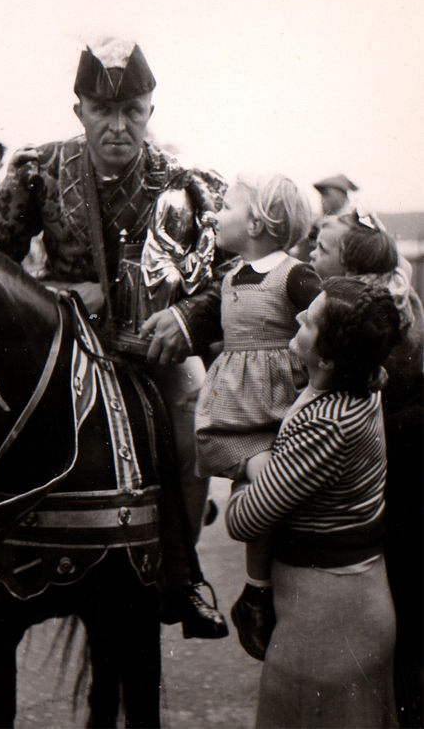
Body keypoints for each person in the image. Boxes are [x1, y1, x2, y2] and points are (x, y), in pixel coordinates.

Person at [0, 36, 229, 638]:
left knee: (194, 413)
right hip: (56, 346)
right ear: (79, 111)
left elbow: (231, 279)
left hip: (149, 353)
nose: (117, 126)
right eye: (101, 111)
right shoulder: (37, 172)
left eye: (131, 111)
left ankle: (180, 570)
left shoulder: (186, 187)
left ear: (150, 112)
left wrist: (188, 318)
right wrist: (51, 294)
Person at [226, 277, 401, 729]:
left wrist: (250, 463)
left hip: (326, 621)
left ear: (326, 358)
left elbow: (243, 520)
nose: (300, 315)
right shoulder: (363, 382)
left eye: (311, 319)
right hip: (350, 606)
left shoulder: (327, 425)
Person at [194, 173, 321, 659]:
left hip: (282, 409)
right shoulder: (227, 277)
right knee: (253, 491)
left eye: (225, 207)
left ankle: (257, 590)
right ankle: (257, 589)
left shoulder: (293, 275)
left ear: (255, 222)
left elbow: (328, 326)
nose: (214, 215)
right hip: (234, 413)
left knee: (261, 494)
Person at [310, 208, 424, 728]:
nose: (311, 257)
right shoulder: (378, 313)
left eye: (322, 250)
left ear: (351, 271)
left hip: (396, 495)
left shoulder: (366, 326)